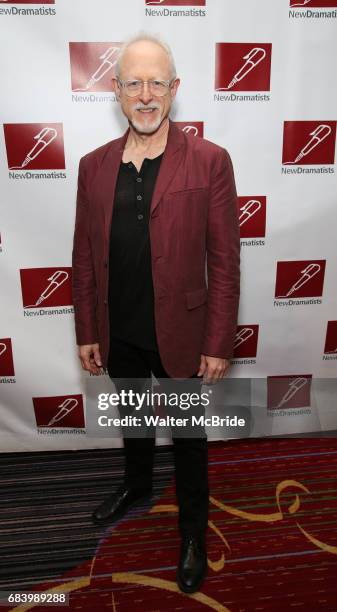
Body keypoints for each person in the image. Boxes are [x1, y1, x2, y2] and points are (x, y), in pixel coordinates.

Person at [72, 31, 240, 594]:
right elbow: (84, 256)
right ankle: (138, 486)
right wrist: (87, 329)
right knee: (135, 422)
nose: (146, 95)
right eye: (134, 83)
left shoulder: (211, 161)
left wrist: (218, 341)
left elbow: (225, 259)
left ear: (175, 88)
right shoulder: (93, 167)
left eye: (157, 83)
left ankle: (194, 530)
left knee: (189, 441)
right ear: (116, 90)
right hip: (119, 328)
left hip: (183, 334)